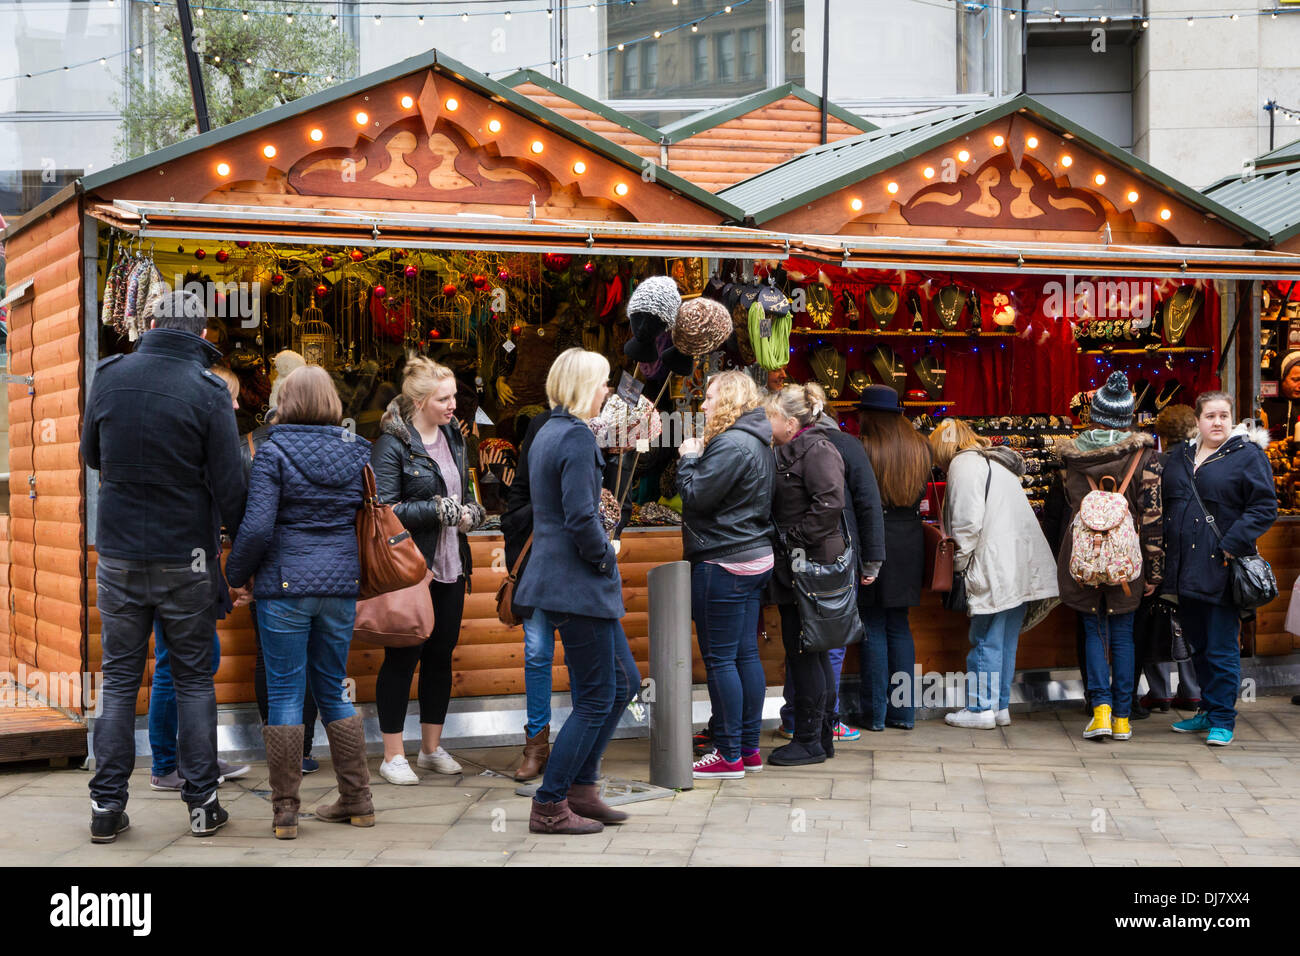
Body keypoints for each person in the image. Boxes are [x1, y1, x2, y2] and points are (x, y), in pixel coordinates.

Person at [81, 290, 247, 843]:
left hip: (121, 554)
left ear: (150, 323)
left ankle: (106, 806)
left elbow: (92, 455)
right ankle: (202, 803)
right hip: (187, 557)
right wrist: (240, 554)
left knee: (119, 681)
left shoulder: (108, 375)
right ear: (202, 335)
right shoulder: (207, 392)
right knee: (194, 678)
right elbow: (231, 485)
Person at [225, 365, 373, 839]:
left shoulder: (273, 450)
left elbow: (257, 527)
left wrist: (235, 575)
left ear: (285, 403)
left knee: (287, 693)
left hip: (285, 586)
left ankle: (286, 810)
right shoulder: (357, 451)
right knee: (333, 688)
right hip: (340, 586)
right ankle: (359, 799)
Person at [515, 348, 641, 834]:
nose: (609, 391)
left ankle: (582, 788)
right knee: (596, 697)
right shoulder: (574, 438)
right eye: (604, 383)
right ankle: (550, 803)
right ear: (584, 385)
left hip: (564, 581)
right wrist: (605, 555)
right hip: (577, 584)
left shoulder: (550, 431)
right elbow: (581, 517)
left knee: (623, 684)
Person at [371, 356, 486, 785]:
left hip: (451, 565)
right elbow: (383, 509)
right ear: (418, 401)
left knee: (440, 657)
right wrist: (436, 509)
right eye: (444, 398)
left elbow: (465, 489)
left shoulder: (455, 435)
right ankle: (392, 754)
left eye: (454, 395)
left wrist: (471, 511)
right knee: (402, 657)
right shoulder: (393, 444)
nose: (454, 404)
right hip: (410, 569)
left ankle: (431, 749)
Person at [147, 364, 249, 790]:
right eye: (233, 397)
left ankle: (194, 760)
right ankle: (167, 766)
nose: (239, 405)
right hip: (177, 567)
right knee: (177, 666)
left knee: (193, 663)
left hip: (190, 565)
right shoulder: (193, 449)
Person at [1052, 372, 1164, 742]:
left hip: (1082, 557)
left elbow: (1068, 508)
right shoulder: (1146, 457)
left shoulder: (1071, 457)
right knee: (1123, 636)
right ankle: (1122, 717)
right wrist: (1154, 570)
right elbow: (1152, 518)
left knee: (1093, 631)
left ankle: (1098, 711)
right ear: (1129, 417)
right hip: (1126, 562)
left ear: (1094, 415)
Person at [1162, 391, 1277, 746]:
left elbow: (1264, 508)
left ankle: (1223, 718)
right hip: (1184, 567)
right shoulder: (1180, 456)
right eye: (1210, 416)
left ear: (1232, 419)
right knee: (1196, 644)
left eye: (1224, 416)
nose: (1217, 422)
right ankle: (1208, 711)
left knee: (1222, 646)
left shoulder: (1247, 455)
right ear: (1197, 420)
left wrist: (1230, 544)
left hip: (1221, 565)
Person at [677, 371, 776, 778]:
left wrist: (687, 457)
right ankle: (748, 750)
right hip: (752, 558)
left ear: (730, 400)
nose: (703, 405)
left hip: (725, 561)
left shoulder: (731, 443)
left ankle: (729, 755)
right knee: (744, 656)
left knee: (721, 661)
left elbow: (696, 496)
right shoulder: (756, 440)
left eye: (710, 397)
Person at [929, 418, 1058, 729]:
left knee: (985, 639)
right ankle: (999, 705)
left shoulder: (963, 465)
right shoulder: (994, 463)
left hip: (995, 566)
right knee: (1004, 639)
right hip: (1019, 564)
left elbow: (967, 526)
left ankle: (980, 708)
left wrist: (956, 567)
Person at [764, 384, 849, 766]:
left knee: (807, 651)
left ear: (791, 421)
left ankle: (810, 739)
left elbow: (830, 502)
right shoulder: (796, 449)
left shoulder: (818, 449)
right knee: (809, 651)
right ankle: (818, 736)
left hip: (810, 567)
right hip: (800, 565)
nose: (767, 423)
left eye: (771, 416)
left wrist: (791, 540)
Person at [241, 406, 323, 774]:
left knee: (274, 665)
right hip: (328, 575)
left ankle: (283, 758)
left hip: (272, 572)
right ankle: (306, 754)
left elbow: (252, 524)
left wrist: (237, 572)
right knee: (319, 669)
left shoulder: (258, 449)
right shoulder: (342, 447)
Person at [854, 386, 932, 731]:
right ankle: (904, 712)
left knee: (872, 625)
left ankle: (876, 715)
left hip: (875, 537)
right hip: (910, 538)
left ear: (867, 415)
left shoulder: (864, 447)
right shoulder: (920, 446)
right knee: (900, 625)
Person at [499, 404, 556, 782]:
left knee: (590, 656)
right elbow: (517, 497)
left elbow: (617, 494)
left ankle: (583, 744)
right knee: (537, 653)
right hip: (539, 561)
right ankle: (536, 746)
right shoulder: (542, 424)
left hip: (583, 566)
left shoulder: (600, 425)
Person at [1138, 404, 1202, 713]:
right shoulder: (1201, 464)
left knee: (1154, 621)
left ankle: (1159, 690)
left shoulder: (1155, 464)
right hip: (1191, 551)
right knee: (1187, 622)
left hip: (1157, 552)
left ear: (1161, 434)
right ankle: (1192, 690)